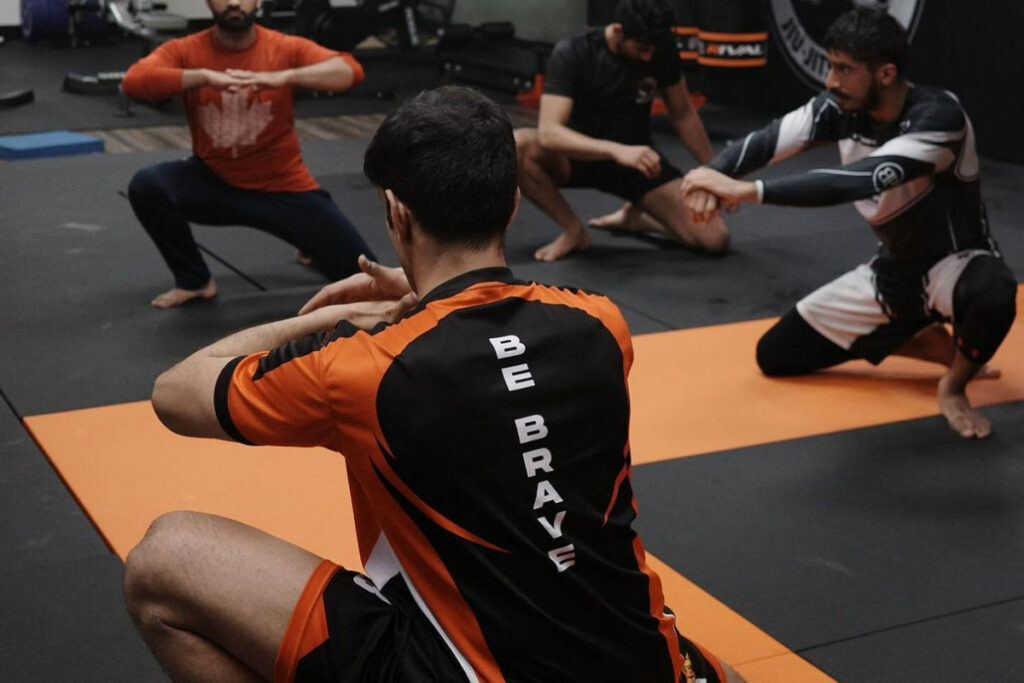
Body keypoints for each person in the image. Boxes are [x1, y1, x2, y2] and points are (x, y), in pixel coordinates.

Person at [123, 86, 745, 683]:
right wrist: (430, 294)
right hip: (644, 664)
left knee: (165, 556)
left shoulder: (363, 368)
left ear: (395, 212)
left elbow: (174, 393)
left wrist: (318, 321)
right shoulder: (601, 324)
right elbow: (501, 391)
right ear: (511, 205)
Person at [680, 8, 1016, 439]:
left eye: (844, 69)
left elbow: (855, 181)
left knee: (994, 292)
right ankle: (932, 342)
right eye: (830, 65)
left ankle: (953, 384)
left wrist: (750, 191)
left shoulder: (940, 117)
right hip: (891, 273)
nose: (830, 80)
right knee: (775, 356)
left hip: (957, 264)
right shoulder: (836, 107)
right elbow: (765, 141)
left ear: (886, 73)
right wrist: (714, 177)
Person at [121, 0, 375, 309]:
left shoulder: (281, 47)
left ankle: (309, 245)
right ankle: (195, 282)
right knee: (147, 186)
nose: (233, 3)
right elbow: (133, 81)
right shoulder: (187, 50)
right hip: (215, 182)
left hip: (283, 188)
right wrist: (202, 76)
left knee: (365, 281)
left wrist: (282, 77)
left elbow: (350, 70)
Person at [514, 0, 730, 261]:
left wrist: (717, 172)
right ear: (617, 31)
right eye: (641, 48)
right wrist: (615, 151)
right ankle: (573, 231)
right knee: (517, 146)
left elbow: (683, 114)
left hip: (638, 163)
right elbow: (549, 132)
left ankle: (636, 218)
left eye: (652, 50)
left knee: (715, 239)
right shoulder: (574, 52)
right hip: (577, 158)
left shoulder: (660, 51)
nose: (648, 57)